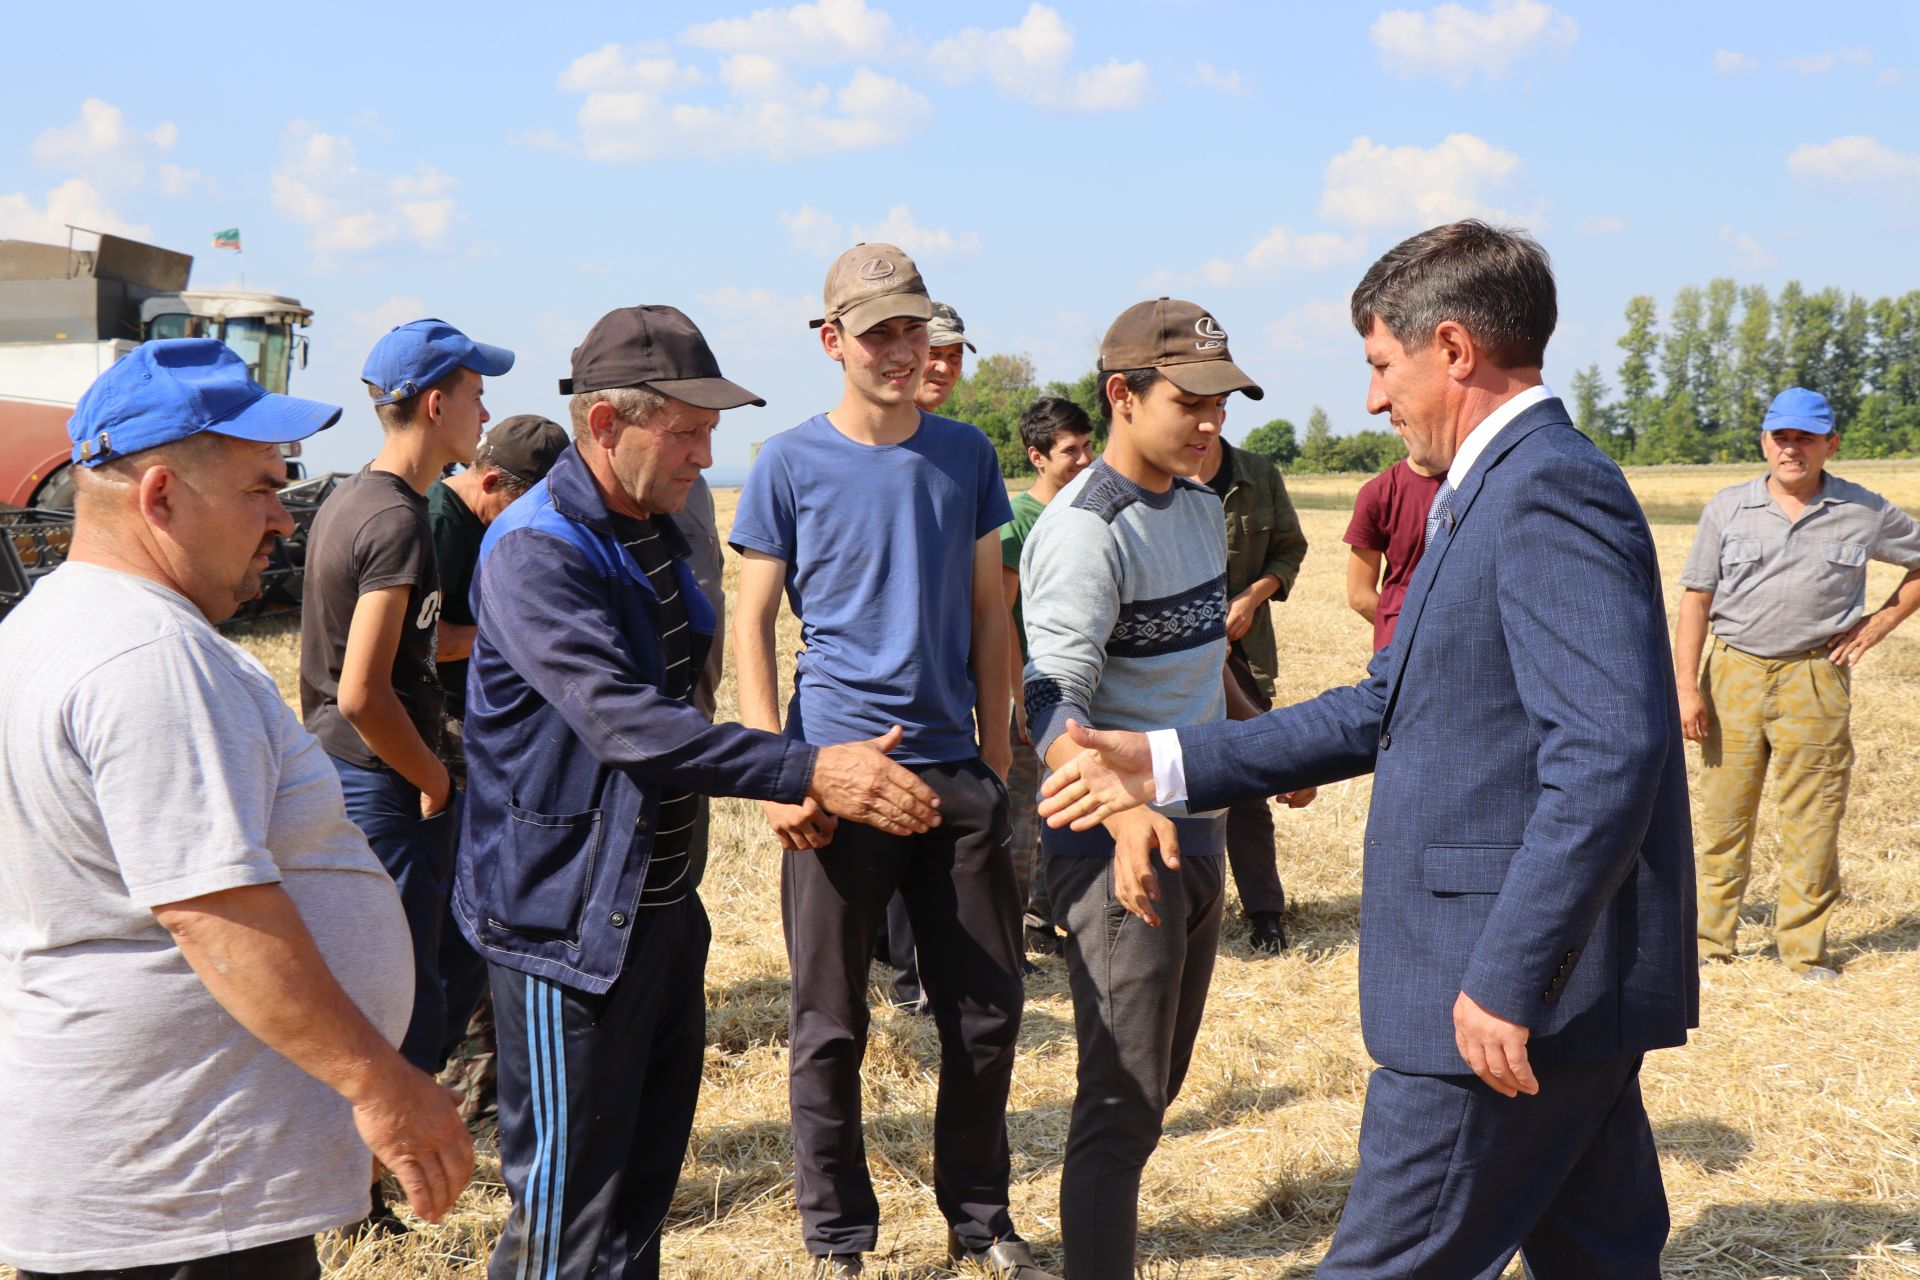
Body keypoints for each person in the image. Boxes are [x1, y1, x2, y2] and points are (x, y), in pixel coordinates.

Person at [1041, 221, 1698, 1278]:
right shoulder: (1488, 487)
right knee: (1601, 1254)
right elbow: (1384, 701)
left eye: (1380, 364)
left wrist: (1509, 974)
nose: (1372, 398)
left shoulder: (1542, 488)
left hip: (1494, 996)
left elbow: (1609, 756)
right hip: (1558, 996)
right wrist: (1162, 762)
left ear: (1452, 348)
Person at [453, 304, 942, 1280]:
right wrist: (808, 765)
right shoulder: (535, 548)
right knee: (561, 1219)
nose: (705, 452)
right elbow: (629, 723)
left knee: (637, 1197)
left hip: (657, 911)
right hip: (563, 929)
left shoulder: (659, 525)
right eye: (686, 431)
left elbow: (694, 681)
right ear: (604, 425)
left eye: (710, 430)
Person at [0, 340, 470, 1279]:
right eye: (260, 488)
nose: (281, 522)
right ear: (160, 495)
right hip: (183, 1194)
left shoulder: (56, 624)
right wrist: (380, 1085)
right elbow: (215, 910)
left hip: (164, 1175)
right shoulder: (147, 660)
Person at [732, 245, 1047, 1279]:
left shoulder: (965, 454)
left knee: (988, 1013)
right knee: (830, 1023)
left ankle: (980, 1218)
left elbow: (991, 605)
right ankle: (838, 1236)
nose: (902, 349)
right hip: (835, 776)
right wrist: (781, 772)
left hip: (955, 770)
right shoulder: (785, 461)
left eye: (913, 328)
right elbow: (752, 620)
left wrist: (998, 752)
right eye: (878, 333)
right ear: (832, 342)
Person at [1018, 298, 1269, 1279]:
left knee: (1158, 1084)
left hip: (1195, 832)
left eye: (1223, 403)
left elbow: (1205, 659)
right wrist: (1121, 813)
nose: (1212, 422)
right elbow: (1048, 700)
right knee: (1119, 1103)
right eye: (1192, 401)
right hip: (1117, 846)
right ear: (1121, 394)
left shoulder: (1202, 509)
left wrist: (1264, 745)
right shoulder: (1087, 533)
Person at [300, 318, 514, 1084]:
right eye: (476, 397)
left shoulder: (354, 498)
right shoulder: (399, 521)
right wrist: (433, 777)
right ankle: (367, 1191)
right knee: (405, 996)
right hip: (379, 778)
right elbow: (363, 691)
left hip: (348, 769)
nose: (485, 416)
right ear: (434, 404)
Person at [1676, 387, 1920, 981]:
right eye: (1781, 437)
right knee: (1723, 819)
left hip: (1816, 677)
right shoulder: (1727, 509)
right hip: (1733, 671)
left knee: (1814, 817)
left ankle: (1805, 952)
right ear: (1765, 442)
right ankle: (1709, 945)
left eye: (1805, 438)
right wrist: (1686, 686)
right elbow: (1696, 601)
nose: (1792, 448)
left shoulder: (1864, 510)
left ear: (1830, 444)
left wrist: (1883, 619)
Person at [426, 412, 569, 1126]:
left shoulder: (486, 521)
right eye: (531, 502)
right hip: (445, 737)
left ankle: (484, 1089)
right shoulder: (443, 525)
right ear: (490, 483)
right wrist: (520, 629)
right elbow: (419, 641)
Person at [879, 298, 982, 1009]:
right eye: (931, 349)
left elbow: (984, 603)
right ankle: (892, 974)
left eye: (950, 353)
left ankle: (914, 975)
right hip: (863, 714)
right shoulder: (831, 455)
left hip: (948, 711)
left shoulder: (965, 452)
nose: (939, 364)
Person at [1195, 434, 1308, 952]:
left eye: (1217, 405)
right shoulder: (1158, 470)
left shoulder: (1259, 474)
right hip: (1173, 662)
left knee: (1248, 785)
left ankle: (1265, 913)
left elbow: (1289, 549)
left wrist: (1251, 598)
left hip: (1246, 657)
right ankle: (1184, 905)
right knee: (1176, 778)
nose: (1207, 418)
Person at [1001, 396, 1095, 955]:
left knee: (1063, 809)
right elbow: (1001, 614)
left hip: (1075, 693)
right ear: (1038, 457)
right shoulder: (1018, 522)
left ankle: (1044, 919)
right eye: (1069, 451)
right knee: (1021, 819)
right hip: (1032, 694)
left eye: (1088, 446)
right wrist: (1016, 695)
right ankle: (1008, 932)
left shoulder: (1086, 509)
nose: (1084, 459)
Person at [1343, 453, 1446, 651]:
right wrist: (1407, 634)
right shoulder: (1379, 492)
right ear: (1396, 423)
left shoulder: (1476, 482)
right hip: (1398, 649)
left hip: (1464, 645)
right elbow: (1360, 595)